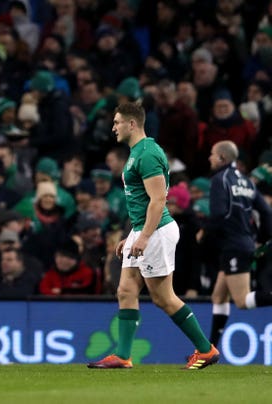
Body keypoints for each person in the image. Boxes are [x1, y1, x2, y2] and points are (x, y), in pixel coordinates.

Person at [87, 102, 219, 370]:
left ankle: (206, 350)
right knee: (125, 290)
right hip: (144, 229)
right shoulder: (139, 152)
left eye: (117, 122)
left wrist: (144, 236)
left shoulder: (147, 154)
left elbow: (159, 200)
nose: (113, 128)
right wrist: (133, 234)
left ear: (132, 124)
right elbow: (143, 201)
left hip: (157, 231)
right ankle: (123, 356)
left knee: (163, 298)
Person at [201, 140, 272, 346]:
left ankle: (209, 350)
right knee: (218, 296)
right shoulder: (246, 181)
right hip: (242, 243)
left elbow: (219, 214)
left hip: (233, 244)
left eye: (212, 154)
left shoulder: (219, 179)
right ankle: (211, 349)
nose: (210, 158)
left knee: (241, 300)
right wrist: (261, 239)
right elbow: (266, 212)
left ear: (222, 158)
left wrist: (205, 233)